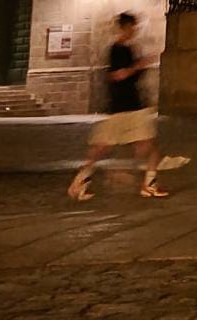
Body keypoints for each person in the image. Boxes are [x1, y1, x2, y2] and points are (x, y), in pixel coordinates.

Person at [67, 13, 176, 202]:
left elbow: (129, 76)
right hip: (128, 107)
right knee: (126, 147)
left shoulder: (127, 49)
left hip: (126, 106)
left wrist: (139, 68)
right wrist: (139, 66)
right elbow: (118, 75)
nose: (134, 31)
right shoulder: (117, 50)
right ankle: (148, 185)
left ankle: (81, 181)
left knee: (110, 147)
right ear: (125, 27)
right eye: (132, 27)